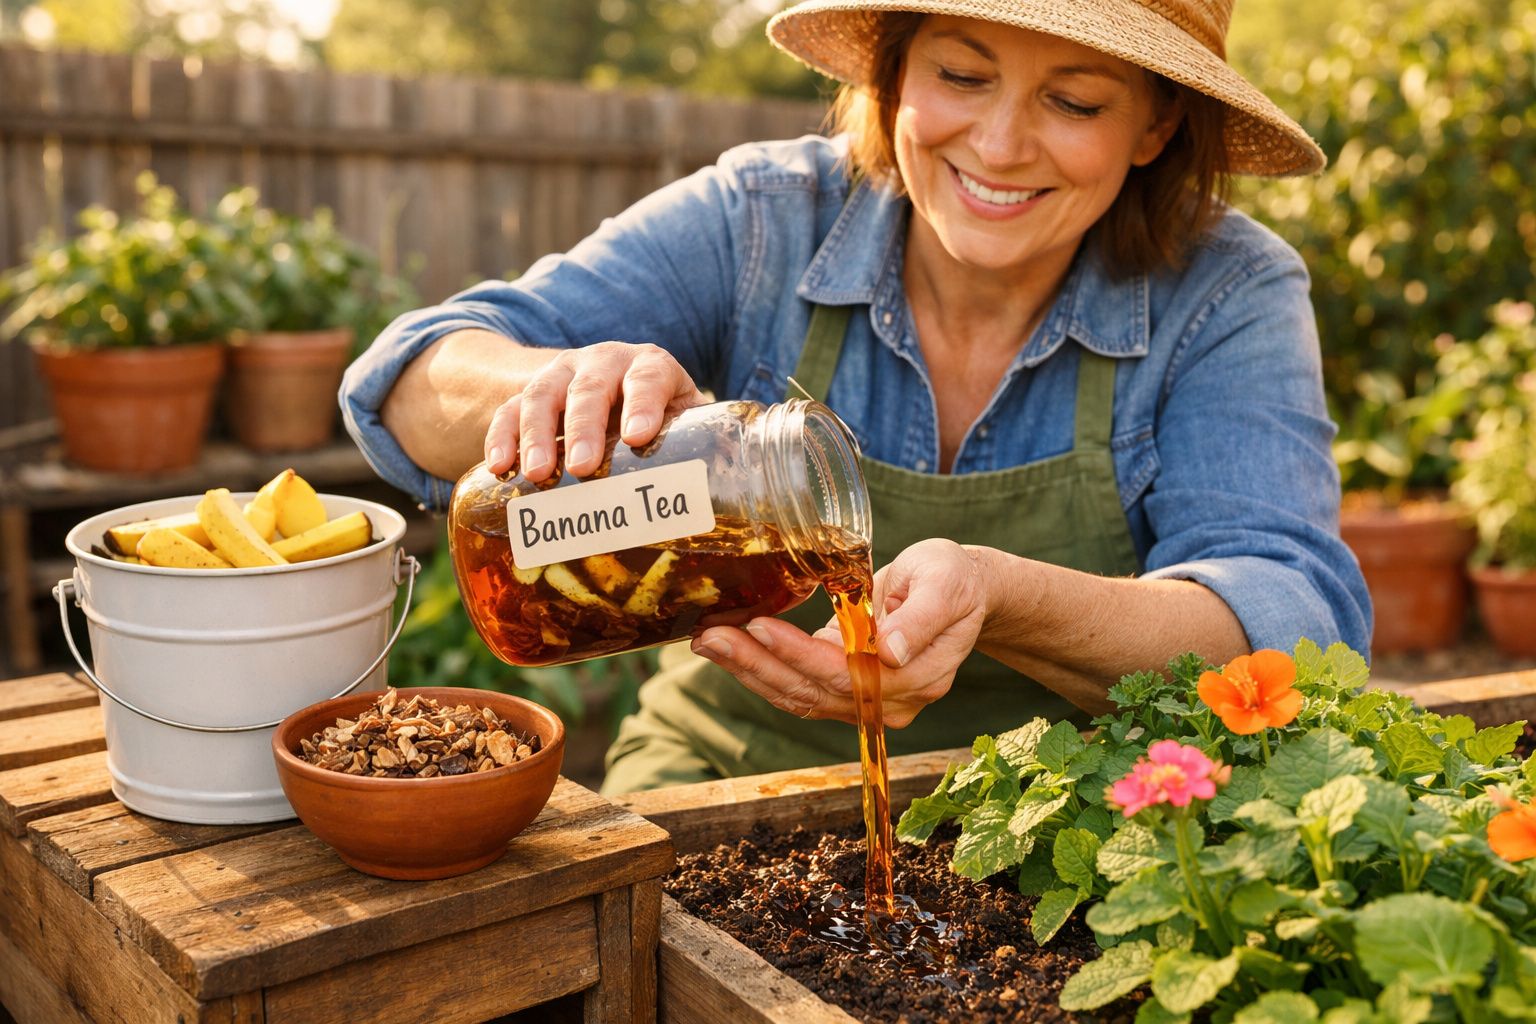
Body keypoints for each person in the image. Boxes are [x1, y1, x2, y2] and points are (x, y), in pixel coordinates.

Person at [341, 0, 1372, 795]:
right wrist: (547, 384)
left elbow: (1292, 625)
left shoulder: (1226, 290)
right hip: (728, 770)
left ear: (1155, 124)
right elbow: (407, 384)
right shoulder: (764, 220)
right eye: (962, 75)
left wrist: (999, 594)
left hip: (1069, 811)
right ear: (894, 73)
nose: (1002, 145)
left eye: (1075, 101)